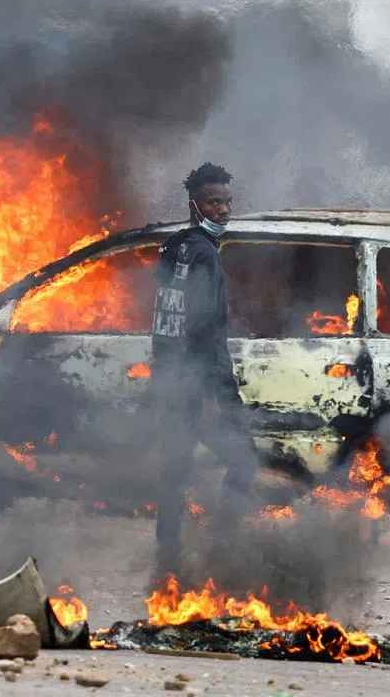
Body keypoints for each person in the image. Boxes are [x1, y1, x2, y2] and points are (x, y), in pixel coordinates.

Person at [150, 162, 257, 577]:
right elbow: (205, 329)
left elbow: (162, 318)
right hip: (198, 383)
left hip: (171, 379)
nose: (224, 211)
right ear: (195, 205)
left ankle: (169, 552)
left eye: (228, 203)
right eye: (215, 203)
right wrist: (219, 394)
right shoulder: (206, 255)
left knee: (175, 465)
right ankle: (221, 548)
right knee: (245, 461)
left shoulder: (173, 248)